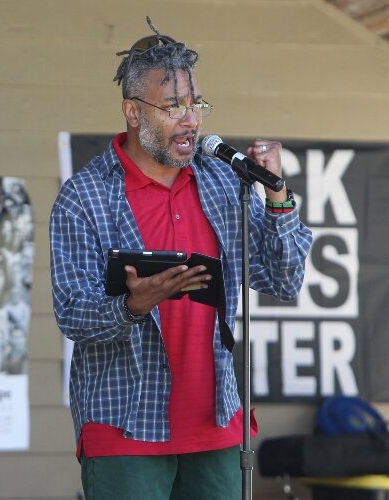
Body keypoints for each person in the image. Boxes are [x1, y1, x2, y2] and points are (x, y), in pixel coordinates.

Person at [49, 18, 313, 500]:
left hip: (215, 423)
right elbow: (72, 313)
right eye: (173, 107)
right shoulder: (83, 196)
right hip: (123, 425)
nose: (191, 119)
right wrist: (132, 305)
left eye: (196, 105)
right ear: (132, 111)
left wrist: (277, 197)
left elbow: (283, 277)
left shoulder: (223, 182)